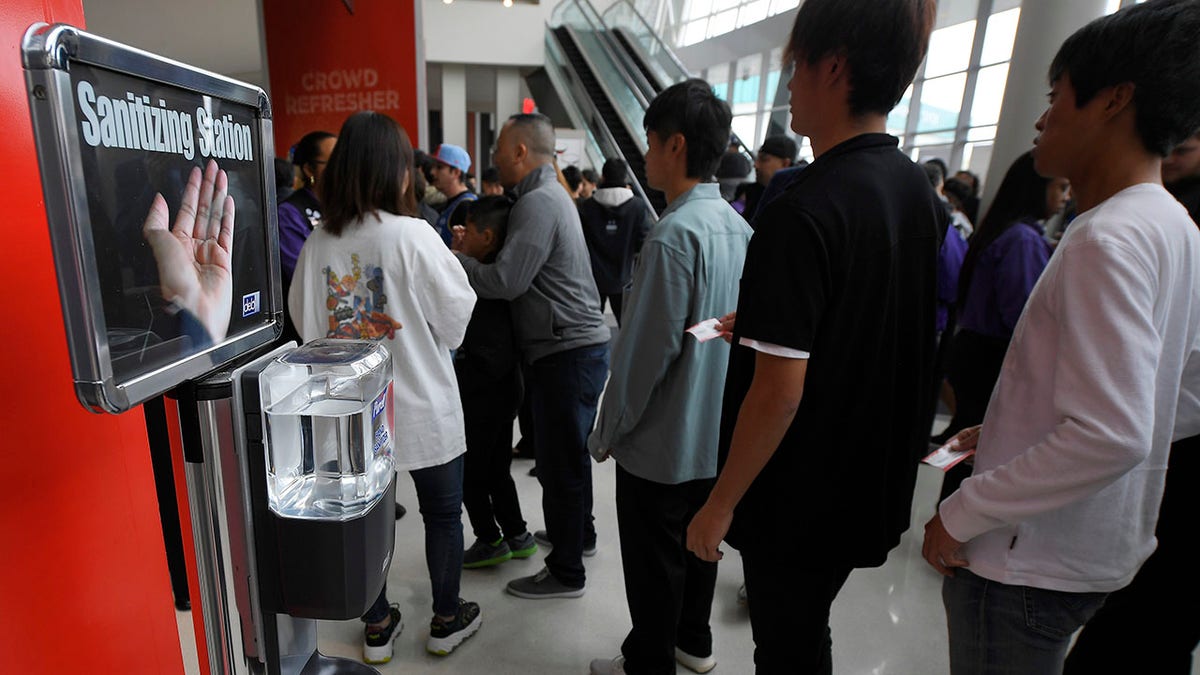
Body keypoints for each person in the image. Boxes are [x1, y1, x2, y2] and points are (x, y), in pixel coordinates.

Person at [921, 3, 1200, 674]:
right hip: (1094, 548)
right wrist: (1016, 427)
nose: (1042, 120)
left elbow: (1115, 431)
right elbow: (1171, 397)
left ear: (1113, 101)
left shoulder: (1107, 237)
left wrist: (963, 511)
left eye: (1054, 98)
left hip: (1026, 557)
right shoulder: (1174, 227)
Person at [685, 1, 942, 672]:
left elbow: (779, 395)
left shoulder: (803, 206)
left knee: (787, 643)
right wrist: (775, 324)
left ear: (834, 67)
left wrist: (719, 506)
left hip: (801, 492)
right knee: (805, 630)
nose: (788, 85)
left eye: (794, 67)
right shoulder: (914, 187)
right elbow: (875, 315)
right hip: (868, 478)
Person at [288, 111, 481, 663]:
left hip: (352, 411)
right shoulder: (414, 235)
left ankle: (377, 626)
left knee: (365, 518)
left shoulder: (319, 242)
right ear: (397, 171)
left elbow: (305, 325)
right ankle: (447, 619)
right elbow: (456, 319)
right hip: (424, 403)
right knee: (443, 514)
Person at [587, 79, 752, 675]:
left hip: (660, 444)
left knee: (655, 564)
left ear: (676, 145)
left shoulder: (672, 237)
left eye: (651, 141)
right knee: (700, 545)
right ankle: (695, 643)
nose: (645, 154)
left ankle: (648, 663)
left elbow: (641, 359)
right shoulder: (742, 230)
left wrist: (605, 431)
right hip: (716, 436)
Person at [451, 112, 611, 599]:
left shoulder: (539, 202)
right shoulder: (546, 197)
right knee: (568, 458)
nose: (494, 157)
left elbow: (507, 281)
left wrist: (458, 262)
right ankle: (576, 536)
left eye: (499, 147)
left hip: (566, 352)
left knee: (560, 465)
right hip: (570, 349)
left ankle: (566, 572)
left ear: (521, 151)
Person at [1063, 128, 1200, 675]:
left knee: (1142, 632)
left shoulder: (1125, 231)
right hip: (1161, 457)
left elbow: (1118, 429)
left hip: (1172, 458)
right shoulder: (1163, 220)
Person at [933, 151, 1063, 451]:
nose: (1065, 197)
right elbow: (1021, 310)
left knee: (967, 442)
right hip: (992, 354)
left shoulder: (1008, 231)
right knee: (978, 448)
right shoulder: (1023, 240)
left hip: (974, 348)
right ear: (1036, 189)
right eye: (1061, 187)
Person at [453, 196, 539, 569]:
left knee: (471, 473)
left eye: (468, 231)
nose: (461, 235)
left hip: (481, 392)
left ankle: (490, 539)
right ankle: (518, 535)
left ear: (487, 237)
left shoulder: (478, 282)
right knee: (497, 468)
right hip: (506, 390)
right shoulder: (501, 276)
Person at [578, 157, 652, 326]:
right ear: (624, 178)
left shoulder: (587, 207)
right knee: (626, 327)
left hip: (593, 279)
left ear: (602, 177)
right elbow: (643, 242)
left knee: (590, 326)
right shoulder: (638, 207)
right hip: (624, 278)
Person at [277, 131, 335, 344]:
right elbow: (302, 274)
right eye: (332, 162)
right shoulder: (290, 212)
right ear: (310, 169)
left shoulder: (341, 209)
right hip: (308, 334)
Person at [732, 135, 797, 220]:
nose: (756, 165)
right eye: (757, 159)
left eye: (764, 159)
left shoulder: (793, 204)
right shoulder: (748, 192)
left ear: (785, 164)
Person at [430, 143, 478, 247]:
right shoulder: (450, 203)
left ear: (456, 172)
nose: (433, 172)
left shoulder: (466, 206)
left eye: (439, 167)